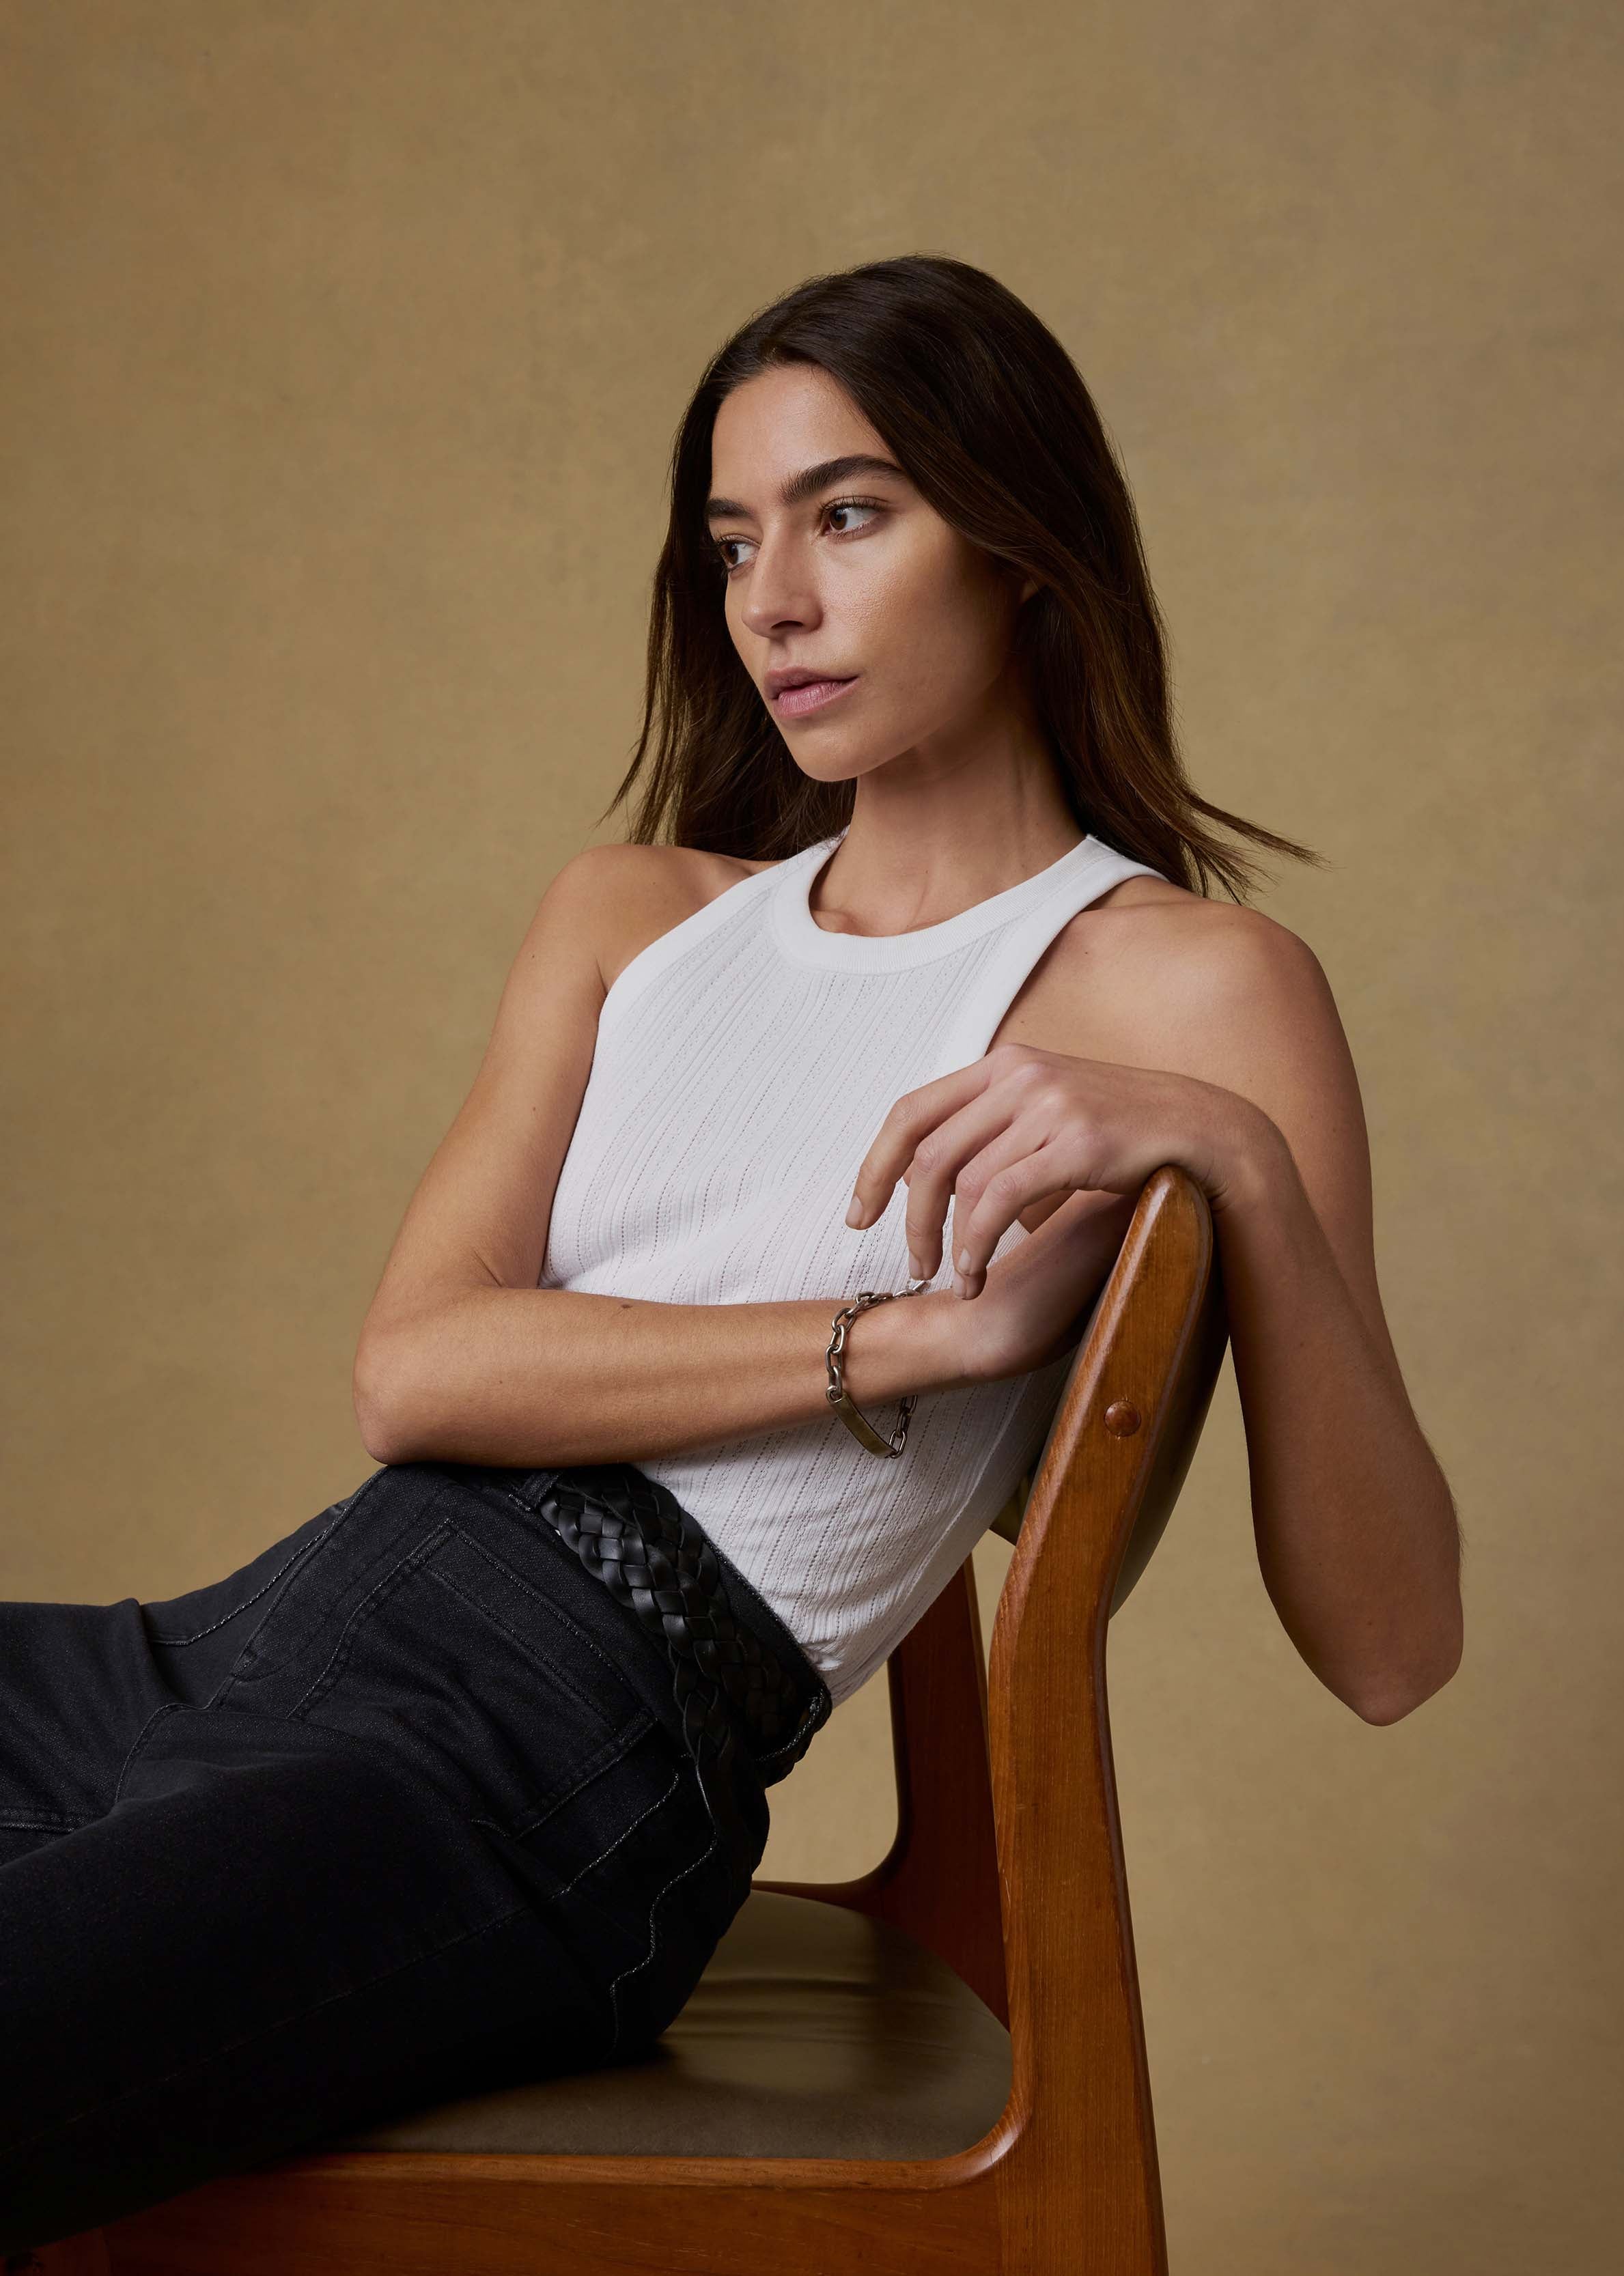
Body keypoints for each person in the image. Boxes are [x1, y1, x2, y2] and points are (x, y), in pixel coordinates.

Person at [0, 252, 1463, 2250]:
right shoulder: (636, 915)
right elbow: (417, 1372)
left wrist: (1246, 1169)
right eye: (730, 542)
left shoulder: (1192, 987)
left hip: (538, 1768)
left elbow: (1390, 1650)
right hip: (252, 1641)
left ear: (1021, 545)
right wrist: (904, 1340)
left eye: (848, 516)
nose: (772, 598)